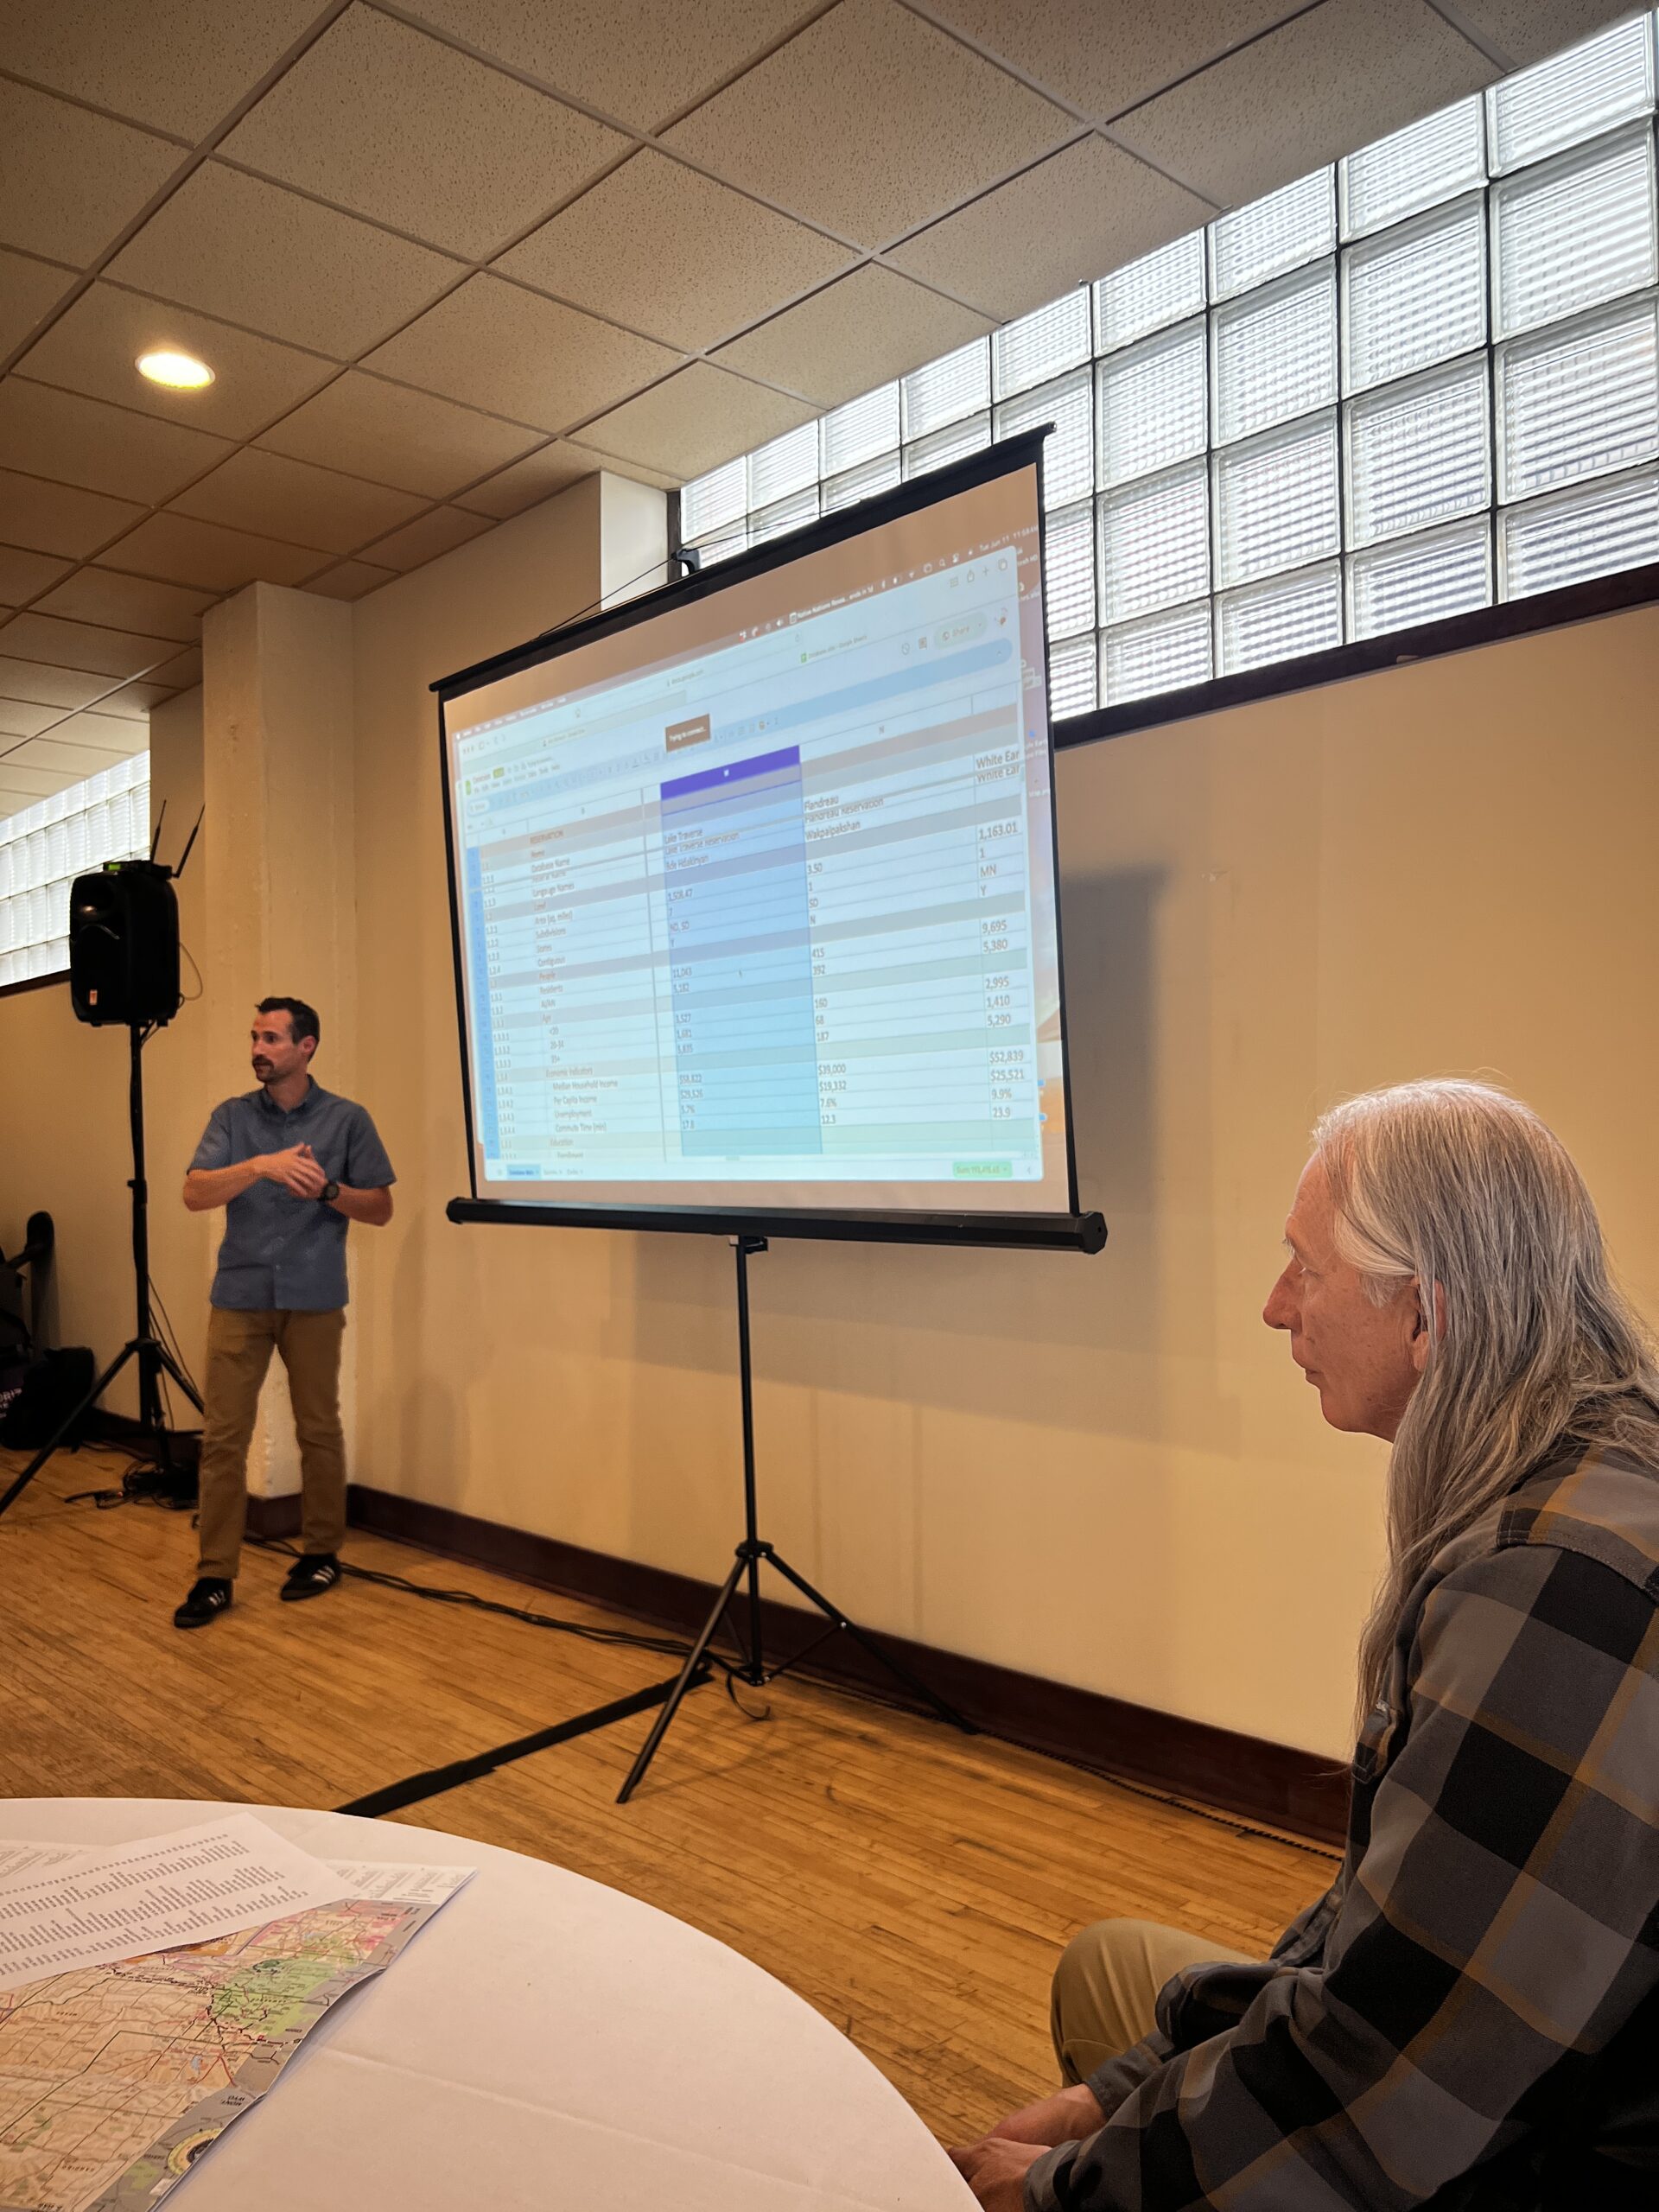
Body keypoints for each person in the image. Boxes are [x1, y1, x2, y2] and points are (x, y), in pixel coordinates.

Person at [950, 1079, 1659, 2210]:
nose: (1279, 1308)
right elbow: (1387, 1937)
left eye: (1307, 1268)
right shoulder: (1594, 1472)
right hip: (1524, 2095)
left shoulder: (1560, 1583)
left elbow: (1390, 2089)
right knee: (1112, 1979)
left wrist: (1070, 2188)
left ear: (1428, 1313)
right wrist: (1129, 2088)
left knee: (1105, 1998)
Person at [173, 997, 394, 1629]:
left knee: (318, 1428)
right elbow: (194, 1192)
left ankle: (322, 1553)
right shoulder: (233, 1118)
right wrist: (259, 1166)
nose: (257, 1050)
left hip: (315, 1296)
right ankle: (215, 1574)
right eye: (254, 1038)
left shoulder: (347, 1120)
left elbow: (379, 1208)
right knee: (222, 1438)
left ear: (307, 1047)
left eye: (270, 1038)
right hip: (239, 1297)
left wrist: (327, 1189)